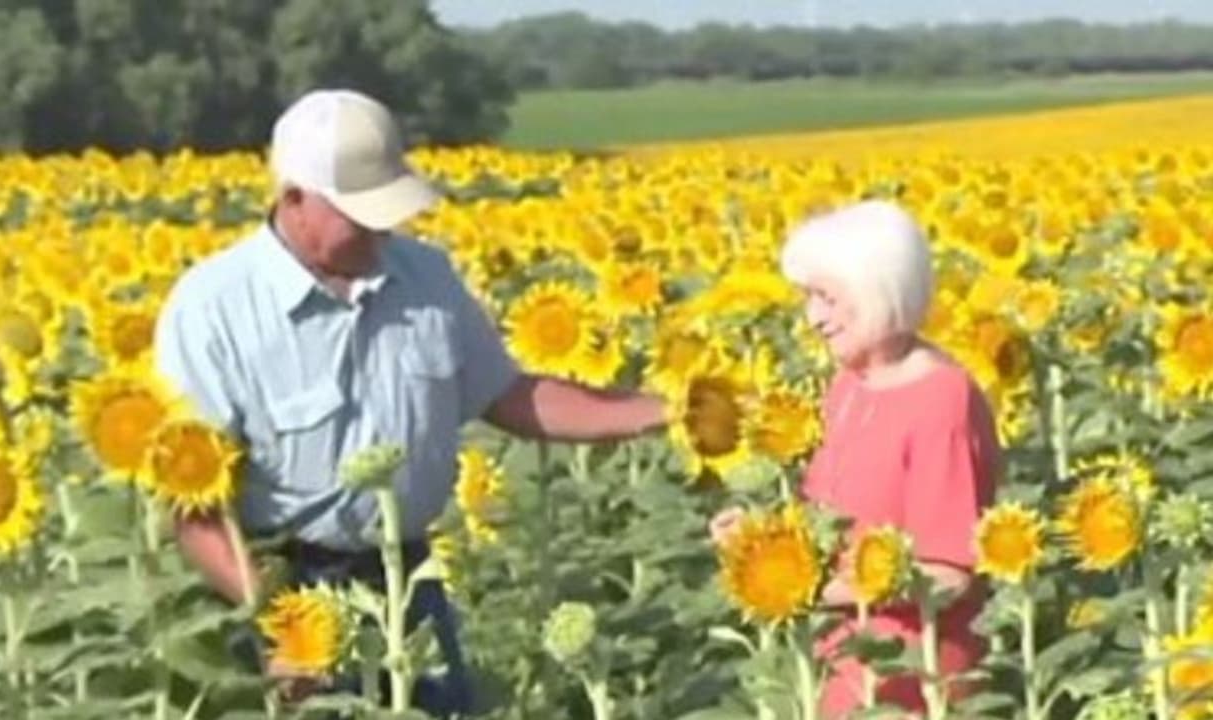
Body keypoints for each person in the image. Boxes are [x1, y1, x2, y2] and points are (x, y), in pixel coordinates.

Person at [153, 88, 668, 716]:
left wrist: (661, 410)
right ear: (294, 200)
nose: (381, 227)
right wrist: (276, 619)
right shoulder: (213, 308)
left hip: (409, 580)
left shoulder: (426, 276)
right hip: (286, 585)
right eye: (359, 213)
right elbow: (193, 505)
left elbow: (508, 396)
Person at [710, 200, 1000, 717]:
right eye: (809, 298)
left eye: (827, 298)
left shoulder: (940, 399)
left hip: (912, 676)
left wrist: (802, 590)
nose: (813, 318)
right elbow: (837, 521)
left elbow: (948, 573)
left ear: (879, 292)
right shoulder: (850, 382)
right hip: (839, 666)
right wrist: (763, 545)